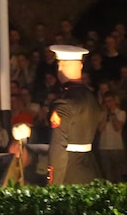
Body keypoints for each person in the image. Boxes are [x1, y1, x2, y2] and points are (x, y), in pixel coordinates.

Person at [47, 45, 104, 184]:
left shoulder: (65, 102)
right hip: (90, 167)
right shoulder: (91, 98)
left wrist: (54, 183)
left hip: (69, 172)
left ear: (60, 67)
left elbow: (58, 146)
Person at [97, 92, 126, 182]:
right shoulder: (102, 114)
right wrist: (105, 114)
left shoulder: (121, 113)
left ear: (114, 101)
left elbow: (117, 127)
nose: (108, 104)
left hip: (117, 147)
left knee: (118, 175)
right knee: (107, 175)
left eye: (110, 101)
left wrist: (113, 114)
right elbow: (100, 129)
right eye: (106, 102)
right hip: (104, 147)